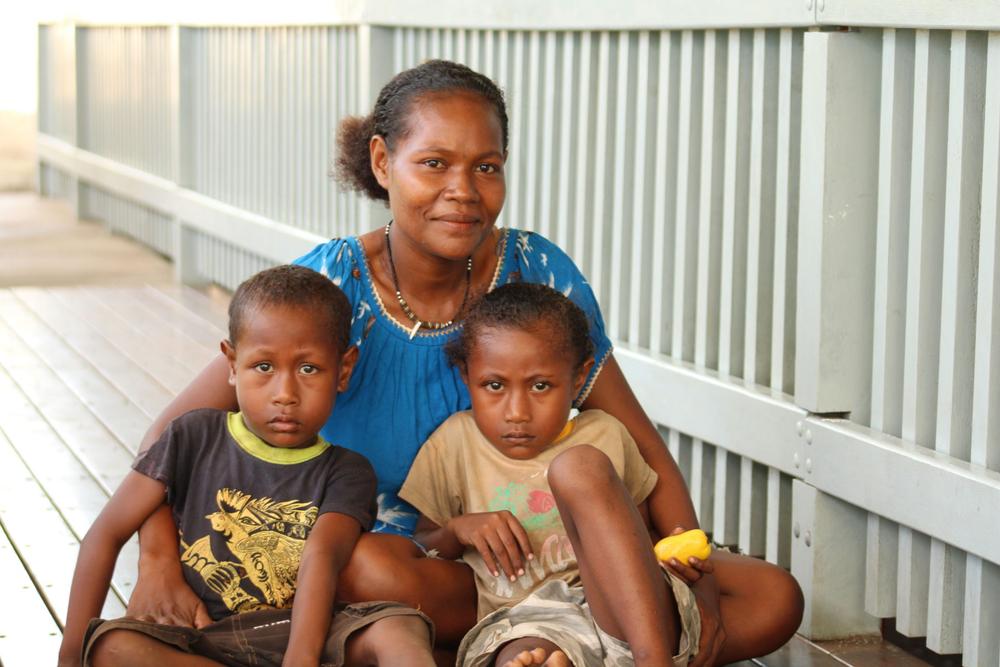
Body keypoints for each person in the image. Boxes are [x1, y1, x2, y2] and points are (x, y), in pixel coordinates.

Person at [125, 59, 803, 665]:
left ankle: (545, 644)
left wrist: (698, 578)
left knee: (773, 596)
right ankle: (539, 645)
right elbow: (167, 437)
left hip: (559, 558)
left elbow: (639, 444)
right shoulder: (332, 285)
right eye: (435, 164)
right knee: (364, 566)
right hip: (424, 566)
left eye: (487, 166)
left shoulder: (535, 271)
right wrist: (157, 559)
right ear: (384, 162)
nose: (465, 190)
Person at [57, 265, 435, 667]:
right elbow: (106, 533)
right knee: (109, 648)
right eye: (264, 367)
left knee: (399, 627)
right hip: (202, 637)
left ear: (343, 370)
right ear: (232, 364)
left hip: (305, 632)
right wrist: (69, 655)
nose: (285, 394)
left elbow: (321, 558)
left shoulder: (347, 471)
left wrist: (299, 660)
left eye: (309, 369)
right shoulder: (192, 436)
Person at [399, 283, 701, 667]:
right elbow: (426, 543)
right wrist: (460, 528)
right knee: (522, 655)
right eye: (494, 386)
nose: (517, 412)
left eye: (540, 386)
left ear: (579, 378)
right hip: (521, 616)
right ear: (465, 376)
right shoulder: (454, 443)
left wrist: (670, 557)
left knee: (778, 598)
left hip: (613, 611)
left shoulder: (605, 434)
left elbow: (636, 534)